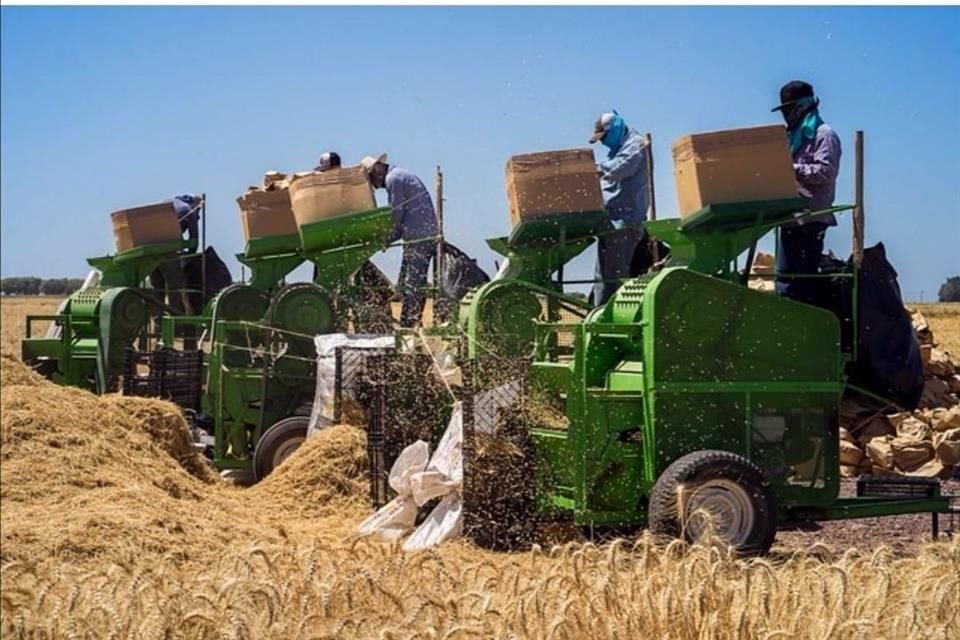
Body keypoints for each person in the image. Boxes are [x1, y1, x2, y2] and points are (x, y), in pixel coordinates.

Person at [771, 80, 842, 305]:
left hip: (811, 218)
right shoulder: (792, 138)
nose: (786, 115)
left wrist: (790, 169)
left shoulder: (824, 135)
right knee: (784, 281)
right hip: (790, 218)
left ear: (803, 106)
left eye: (789, 109)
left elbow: (825, 172)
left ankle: (804, 331)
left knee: (802, 283)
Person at [360, 154, 439, 327]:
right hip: (419, 234)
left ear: (377, 171)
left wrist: (386, 238)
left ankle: (409, 324)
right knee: (405, 282)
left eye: (372, 180)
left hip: (420, 236)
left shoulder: (393, 179)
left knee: (413, 283)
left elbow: (396, 214)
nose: (375, 185)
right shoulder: (400, 175)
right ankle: (407, 320)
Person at [588, 110, 652, 305]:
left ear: (614, 129)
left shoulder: (637, 145)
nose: (602, 141)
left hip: (625, 222)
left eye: (604, 137)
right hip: (611, 223)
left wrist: (588, 168)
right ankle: (598, 317)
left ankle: (607, 322)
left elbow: (619, 169)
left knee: (613, 279)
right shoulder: (617, 150)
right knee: (603, 278)